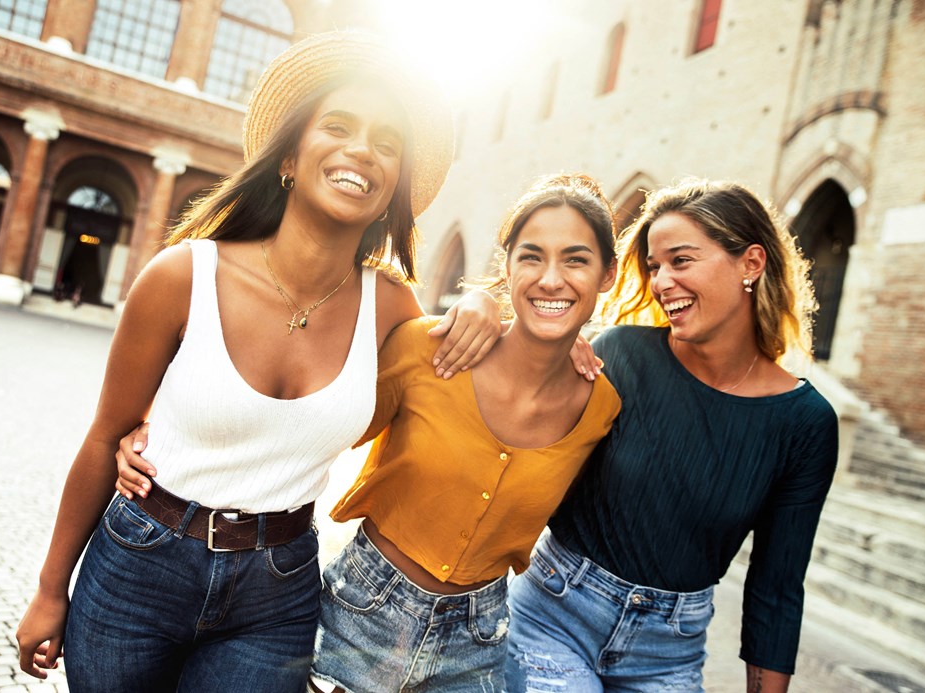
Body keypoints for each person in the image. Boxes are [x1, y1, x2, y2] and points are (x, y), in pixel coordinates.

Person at [14, 31, 504, 692]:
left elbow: (465, 401)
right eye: (338, 126)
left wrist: (493, 312)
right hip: (139, 563)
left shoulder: (393, 307)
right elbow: (106, 436)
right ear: (290, 159)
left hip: (276, 593)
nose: (363, 149)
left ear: (395, 185)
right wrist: (50, 588)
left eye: (388, 142)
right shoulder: (182, 276)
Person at [118, 173, 623, 693]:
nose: (551, 278)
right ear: (508, 266)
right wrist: (161, 438)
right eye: (532, 256)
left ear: (607, 274)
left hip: (479, 637)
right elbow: (305, 417)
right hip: (364, 610)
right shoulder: (426, 350)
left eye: (576, 260)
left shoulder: (602, 405)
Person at [504, 179, 839, 693]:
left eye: (680, 261)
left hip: (669, 654)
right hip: (554, 617)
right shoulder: (619, 355)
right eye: (655, 266)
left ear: (751, 263)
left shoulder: (805, 423)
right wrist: (483, 312)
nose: (661, 282)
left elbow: (776, 586)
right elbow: (511, 421)